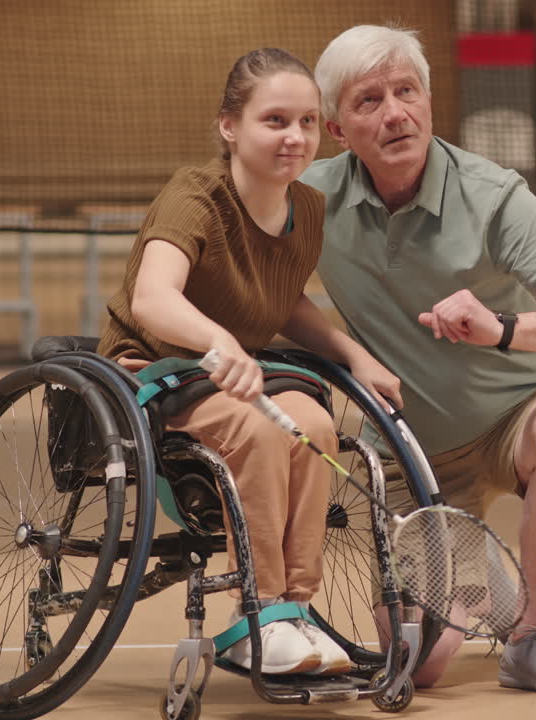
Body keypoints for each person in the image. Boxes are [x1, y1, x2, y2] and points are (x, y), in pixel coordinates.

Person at [300, 25, 536, 697]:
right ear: (337, 130)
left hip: (517, 416)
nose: (395, 113)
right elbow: (267, 292)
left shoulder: (491, 195)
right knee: (419, 666)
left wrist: (502, 328)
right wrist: (347, 353)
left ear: (428, 102)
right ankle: (467, 565)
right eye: (370, 100)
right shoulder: (309, 199)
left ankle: (531, 637)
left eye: (407, 92)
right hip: (408, 449)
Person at [97, 47, 402, 676]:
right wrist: (221, 342)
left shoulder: (307, 208)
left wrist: (355, 356)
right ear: (230, 126)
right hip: (154, 371)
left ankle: (295, 609)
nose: (295, 137)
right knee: (262, 432)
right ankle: (256, 613)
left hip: (236, 372)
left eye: (308, 122)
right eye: (275, 121)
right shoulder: (194, 196)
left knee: (314, 427)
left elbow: (283, 300)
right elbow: (153, 298)